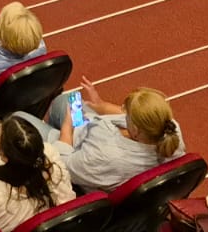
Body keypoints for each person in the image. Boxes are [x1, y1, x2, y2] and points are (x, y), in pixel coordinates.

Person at [28, 82, 185, 192]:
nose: (123, 112)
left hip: (73, 148)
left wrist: (67, 127)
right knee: (68, 98)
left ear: (136, 130)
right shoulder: (170, 128)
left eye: (128, 115)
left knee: (20, 119)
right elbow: (123, 114)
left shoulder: (106, 155)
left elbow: (64, 165)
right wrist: (101, 105)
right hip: (87, 129)